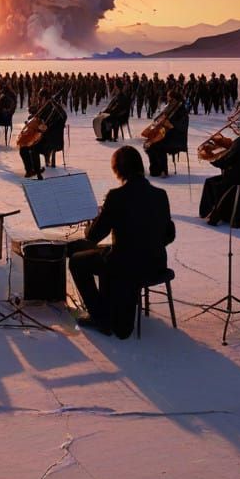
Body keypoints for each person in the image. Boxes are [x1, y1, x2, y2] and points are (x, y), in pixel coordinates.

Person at [68, 145, 175, 338]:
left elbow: (93, 236)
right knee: (107, 253)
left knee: (77, 261)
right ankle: (111, 308)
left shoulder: (116, 196)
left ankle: (100, 317)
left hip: (126, 267)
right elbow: (169, 235)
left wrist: (96, 218)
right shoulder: (160, 195)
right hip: (156, 263)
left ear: (118, 170)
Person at [198, 112, 240, 227]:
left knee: (210, 182)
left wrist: (211, 159)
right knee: (218, 179)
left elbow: (226, 160)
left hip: (236, 179)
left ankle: (213, 213)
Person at [18, 88, 67, 178]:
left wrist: (46, 127)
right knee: (23, 148)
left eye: (41, 98)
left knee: (33, 147)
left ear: (45, 98)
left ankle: (37, 172)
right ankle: (30, 170)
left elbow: (63, 116)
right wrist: (31, 121)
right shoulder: (45, 108)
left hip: (51, 140)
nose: (39, 100)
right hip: (42, 137)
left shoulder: (54, 109)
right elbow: (38, 118)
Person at [145, 92, 188, 177]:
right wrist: (159, 120)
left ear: (175, 100)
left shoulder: (182, 111)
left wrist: (170, 124)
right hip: (165, 135)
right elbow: (157, 119)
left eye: (170, 99)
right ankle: (155, 170)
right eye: (168, 98)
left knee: (158, 145)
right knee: (149, 144)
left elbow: (182, 126)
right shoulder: (169, 108)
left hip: (176, 138)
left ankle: (163, 170)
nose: (169, 100)